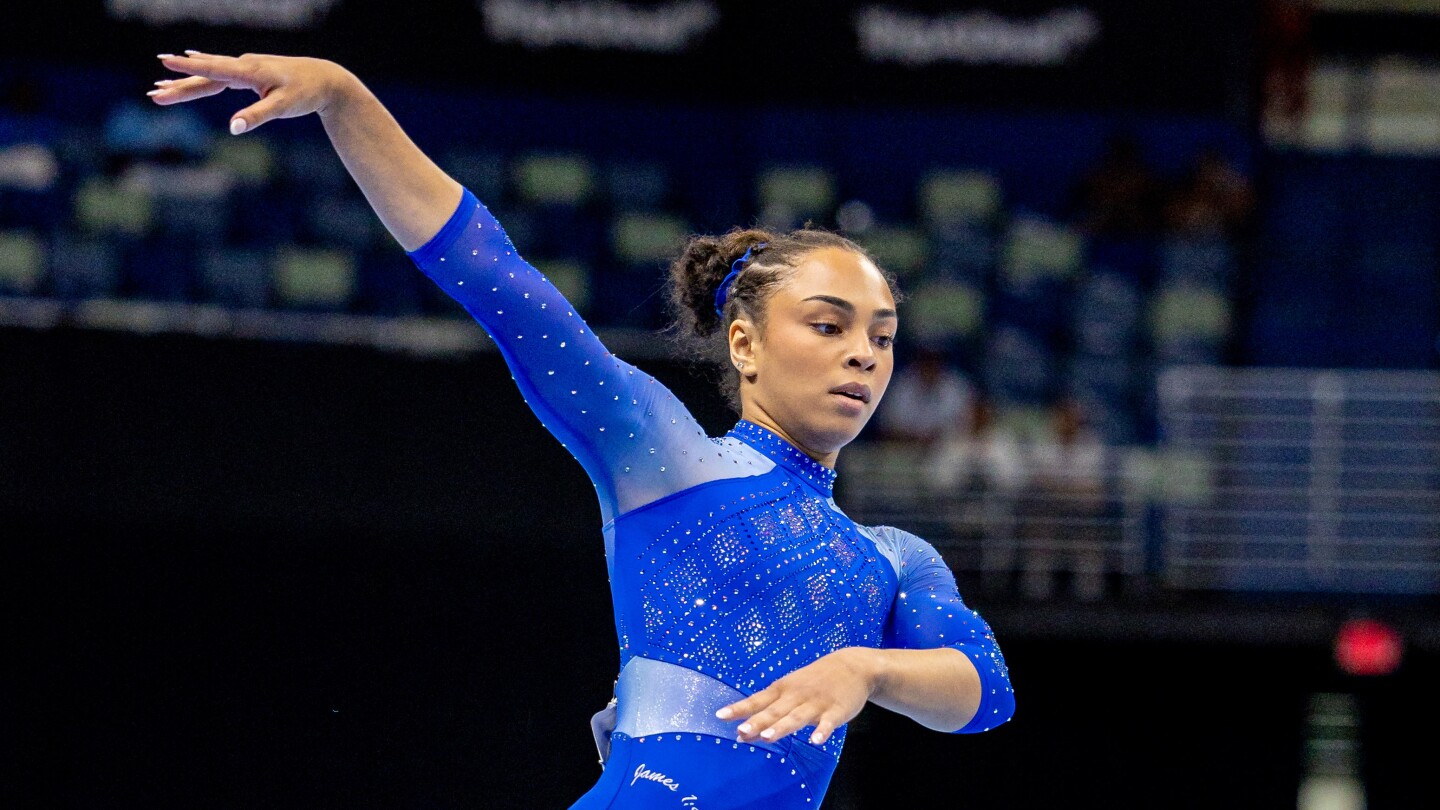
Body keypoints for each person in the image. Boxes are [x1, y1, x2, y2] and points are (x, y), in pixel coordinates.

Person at [149, 51, 1014, 808]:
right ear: (744, 344)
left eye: (883, 336)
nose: (863, 354)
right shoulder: (671, 459)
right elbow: (499, 280)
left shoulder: (894, 557)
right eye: (828, 325)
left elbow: (985, 692)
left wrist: (866, 669)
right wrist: (344, 97)